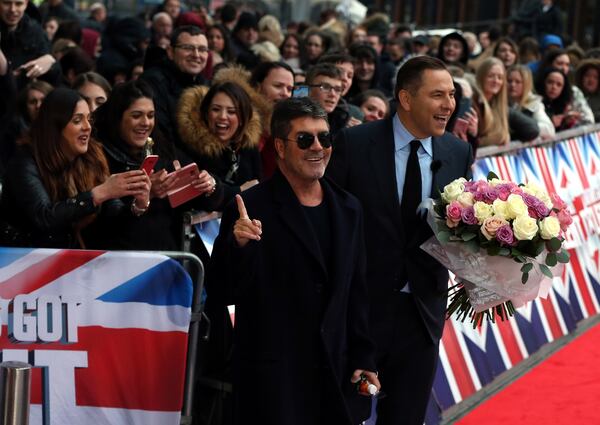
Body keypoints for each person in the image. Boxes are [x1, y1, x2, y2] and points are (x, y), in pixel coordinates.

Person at [208, 96, 380, 424]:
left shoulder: (349, 209)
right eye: (305, 139)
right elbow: (222, 292)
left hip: (334, 373)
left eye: (324, 138)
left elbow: (356, 292)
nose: (318, 147)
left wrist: (364, 357)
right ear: (280, 147)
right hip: (274, 383)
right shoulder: (250, 208)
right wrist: (239, 247)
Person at [326, 56, 473, 425]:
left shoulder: (457, 153)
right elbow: (331, 223)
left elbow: (464, 229)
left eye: (452, 95)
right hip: (358, 314)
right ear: (406, 99)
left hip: (422, 315)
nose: (448, 105)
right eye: (437, 95)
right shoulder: (354, 143)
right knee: (342, 413)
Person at [1, 88, 151, 248]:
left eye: (89, 119)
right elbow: (44, 217)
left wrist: (138, 205)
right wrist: (98, 194)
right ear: (55, 127)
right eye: (77, 120)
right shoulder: (25, 162)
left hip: (74, 264)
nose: (87, 127)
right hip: (22, 264)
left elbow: (112, 218)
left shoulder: (93, 157)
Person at [91, 80, 222, 250]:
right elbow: (106, 223)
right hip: (119, 263)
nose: (146, 123)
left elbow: (208, 200)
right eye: (136, 115)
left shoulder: (161, 148)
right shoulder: (97, 157)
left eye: (151, 115)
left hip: (165, 260)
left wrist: (209, 187)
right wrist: (147, 195)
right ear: (117, 118)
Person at [177, 80, 262, 209]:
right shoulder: (190, 147)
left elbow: (258, 189)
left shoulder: (249, 147)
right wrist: (239, 190)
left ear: (242, 118)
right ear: (206, 113)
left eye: (231, 112)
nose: (222, 117)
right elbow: (198, 200)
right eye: (216, 109)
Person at [140, 25, 209, 149]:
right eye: (188, 48)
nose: (196, 55)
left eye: (202, 49)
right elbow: (160, 137)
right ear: (170, 52)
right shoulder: (153, 82)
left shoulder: (206, 84)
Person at [507, 64, 555, 139]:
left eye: (518, 82)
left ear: (526, 83)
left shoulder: (534, 104)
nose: (512, 85)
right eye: (509, 81)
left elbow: (549, 129)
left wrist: (526, 125)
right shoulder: (500, 103)